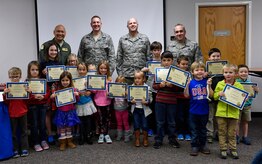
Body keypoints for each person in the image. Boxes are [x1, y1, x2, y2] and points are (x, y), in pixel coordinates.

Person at [214, 64, 244, 159]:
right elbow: (214, 96)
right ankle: (223, 149)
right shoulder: (220, 84)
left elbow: (242, 98)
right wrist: (219, 94)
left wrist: (244, 99)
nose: (228, 74)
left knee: (232, 133)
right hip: (221, 113)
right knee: (222, 132)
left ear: (235, 74)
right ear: (223, 74)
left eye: (230, 72)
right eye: (226, 72)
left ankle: (233, 149)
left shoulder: (238, 85)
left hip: (233, 113)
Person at [184, 61, 213, 156]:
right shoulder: (191, 82)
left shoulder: (207, 81)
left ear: (205, 71)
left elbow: (211, 95)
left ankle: (203, 145)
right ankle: (194, 146)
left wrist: (209, 85)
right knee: (194, 130)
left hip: (204, 111)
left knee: (203, 129)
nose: (199, 72)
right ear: (192, 72)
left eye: (201, 70)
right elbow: (186, 95)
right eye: (197, 70)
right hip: (193, 111)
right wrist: (187, 85)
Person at [152, 51, 180, 149]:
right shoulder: (158, 72)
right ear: (161, 61)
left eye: (169, 60)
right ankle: (159, 139)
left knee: (171, 122)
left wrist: (172, 85)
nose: (166, 62)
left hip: (172, 101)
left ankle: (172, 139)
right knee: (160, 122)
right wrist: (160, 85)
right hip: (160, 101)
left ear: (172, 61)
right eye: (164, 60)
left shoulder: (175, 73)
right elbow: (154, 86)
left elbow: (179, 88)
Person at [2, 67, 31, 157]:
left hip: (23, 112)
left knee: (24, 132)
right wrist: (5, 94)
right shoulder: (8, 87)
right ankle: (15, 150)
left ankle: (24, 149)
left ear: (20, 76)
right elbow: (6, 102)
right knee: (13, 133)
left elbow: (28, 101)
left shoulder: (24, 86)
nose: (15, 78)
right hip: (12, 113)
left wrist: (29, 93)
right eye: (12, 77)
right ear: (9, 77)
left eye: (17, 76)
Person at [51, 71, 80, 151]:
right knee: (62, 128)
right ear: (60, 81)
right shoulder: (58, 90)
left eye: (67, 80)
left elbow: (77, 100)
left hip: (70, 111)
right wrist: (53, 97)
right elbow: (54, 101)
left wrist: (77, 95)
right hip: (61, 112)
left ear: (70, 81)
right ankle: (63, 142)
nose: (65, 82)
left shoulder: (73, 89)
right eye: (63, 80)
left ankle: (69, 141)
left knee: (69, 127)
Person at [116, 17, 151, 85]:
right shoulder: (122, 39)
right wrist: (120, 75)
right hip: (126, 76)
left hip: (141, 75)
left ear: (137, 25)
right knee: (127, 95)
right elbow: (119, 58)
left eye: (134, 23)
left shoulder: (144, 38)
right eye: (130, 23)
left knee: (141, 95)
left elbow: (149, 57)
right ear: (127, 26)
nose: (132, 24)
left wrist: (147, 74)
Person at [40, 42, 62, 144]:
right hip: (48, 90)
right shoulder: (43, 64)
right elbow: (39, 79)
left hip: (58, 89)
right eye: (51, 50)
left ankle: (59, 133)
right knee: (48, 113)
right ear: (47, 51)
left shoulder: (60, 63)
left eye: (55, 50)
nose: (53, 52)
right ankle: (49, 134)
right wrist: (42, 72)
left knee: (58, 112)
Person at [27, 61, 50, 152]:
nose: (35, 71)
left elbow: (48, 92)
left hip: (42, 105)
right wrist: (34, 96)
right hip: (33, 106)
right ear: (29, 71)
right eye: (32, 70)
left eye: (37, 69)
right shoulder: (27, 82)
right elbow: (26, 96)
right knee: (34, 125)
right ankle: (36, 142)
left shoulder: (43, 81)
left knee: (42, 124)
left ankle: (43, 140)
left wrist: (43, 96)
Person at [141, 41, 162, 137]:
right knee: (150, 109)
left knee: (159, 111)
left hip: (161, 89)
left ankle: (159, 129)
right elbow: (142, 76)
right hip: (150, 89)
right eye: (154, 50)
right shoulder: (148, 62)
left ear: (161, 50)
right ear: (151, 51)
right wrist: (143, 71)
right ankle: (150, 128)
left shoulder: (163, 61)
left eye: (158, 50)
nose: (157, 52)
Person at [236, 64, 259, 145]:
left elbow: (253, 96)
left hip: (247, 105)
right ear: (237, 73)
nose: (243, 73)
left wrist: (256, 91)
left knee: (245, 121)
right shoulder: (236, 83)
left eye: (245, 72)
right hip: (238, 105)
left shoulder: (250, 84)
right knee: (237, 122)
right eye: (241, 72)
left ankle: (245, 137)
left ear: (248, 73)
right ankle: (237, 136)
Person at [206, 48, 224, 143]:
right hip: (210, 97)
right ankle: (209, 134)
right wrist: (205, 75)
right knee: (210, 117)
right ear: (209, 58)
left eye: (218, 56)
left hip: (220, 97)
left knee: (219, 117)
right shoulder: (206, 69)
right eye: (213, 56)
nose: (216, 58)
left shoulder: (224, 68)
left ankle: (218, 134)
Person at [76, 62, 97, 145]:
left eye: (83, 69)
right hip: (79, 103)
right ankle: (81, 136)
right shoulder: (75, 80)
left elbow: (93, 89)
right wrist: (76, 92)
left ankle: (88, 136)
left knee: (88, 121)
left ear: (86, 70)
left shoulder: (89, 79)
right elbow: (73, 90)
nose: (81, 71)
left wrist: (89, 91)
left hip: (87, 102)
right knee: (80, 121)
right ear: (77, 70)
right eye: (80, 69)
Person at [92, 60, 113, 144]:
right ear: (98, 69)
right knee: (100, 119)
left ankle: (107, 134)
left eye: (105, 68)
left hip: (107, 102)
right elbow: (93, 91)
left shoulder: (110, 79)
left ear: (107, 69)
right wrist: (95, 86)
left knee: (107, 118)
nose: (103, 70)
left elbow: (113, 91)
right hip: (98, 102)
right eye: (101, 68)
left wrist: (109, 90)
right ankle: (101, 133)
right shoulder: (96, 79)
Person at [131, 71, 152, 147]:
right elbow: (129, 99)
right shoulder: (132, 87)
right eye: (135, 78)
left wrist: (147, 101)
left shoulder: (147, 88)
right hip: (135, 109)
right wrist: (131, 101)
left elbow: (151, 99)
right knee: (136, 125)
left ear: (144, 79)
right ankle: (137, 139)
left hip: (144, 110)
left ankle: (145, 139)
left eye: (139, 78)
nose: (137, 80)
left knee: (145, 125)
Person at [176, 55, 191, 141]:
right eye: (183, 64)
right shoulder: (175, 73)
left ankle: (188, 133)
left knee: (188, 116)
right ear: (178, 64)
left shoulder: (189, 74)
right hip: (178, 98)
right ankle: (180, 132)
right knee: (179, 116)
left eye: (186, 64)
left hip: (188, 98)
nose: (185, 66)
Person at [113, 76, 132, 142]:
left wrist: (127, 94)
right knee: (119, 123)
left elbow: (130, 99)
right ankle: (119, 135)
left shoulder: (126, 91)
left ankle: (127, 135)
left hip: (124, 110)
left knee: (125, 123)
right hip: (117, 110)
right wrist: (108, 93)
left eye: (122, 82)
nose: (120, 84)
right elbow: (109, 97)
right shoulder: (114, 90)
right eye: (118, 82)